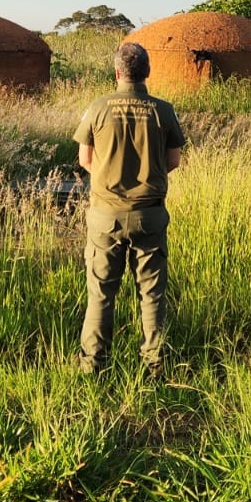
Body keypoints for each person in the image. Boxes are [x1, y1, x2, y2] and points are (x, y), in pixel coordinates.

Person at [74, 41, 185, 376]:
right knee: (152, 293)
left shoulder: (97, 107)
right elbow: (174, 160)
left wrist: (110, 177)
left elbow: (85, 159)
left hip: (105, 216)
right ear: (147, 72)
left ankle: (93, 365)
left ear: (117, 72)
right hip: (150, 215)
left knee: (101, 294)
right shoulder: (163, 110)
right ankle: (155, 365)